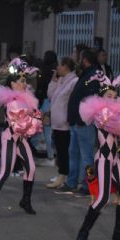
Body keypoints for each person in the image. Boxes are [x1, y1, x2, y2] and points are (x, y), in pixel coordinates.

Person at [75, 72, 120, 240]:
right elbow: (118, 126)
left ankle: (118, 233)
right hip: (104, 159)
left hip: (114, 159)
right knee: (103, 198)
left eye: (115, 97)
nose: (112, 99)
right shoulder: (101, 113)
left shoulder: (114, 114)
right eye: (108, 96)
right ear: (101, 97)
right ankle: (82, 233)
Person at [0, 58, 42, 217]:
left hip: (21, 139)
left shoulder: (24, 98)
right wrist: (34, 120)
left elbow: (31, 120)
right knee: (5, 172)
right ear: (13, 84)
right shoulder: (13, 101)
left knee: (31, 168)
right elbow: (21, 125)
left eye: (24, 81)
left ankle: (25, 201)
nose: (24, 84)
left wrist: (35, 119)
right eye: (21, 81)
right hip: (10, 139)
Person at [57, 49, 100, 196]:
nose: (77, 61)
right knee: (73, 152)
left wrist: (83, 116)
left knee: (87, 155)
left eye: (79, 58)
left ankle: (89, 185)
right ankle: (72, 182)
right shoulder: (86, 74)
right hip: (76, 121)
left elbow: (91, 98)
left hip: (84, 122)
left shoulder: (94, 74)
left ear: (85, 59)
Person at [46, 57, 78, 188]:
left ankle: (64, 175)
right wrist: (53, 81)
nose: (57, 68)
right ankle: (61, 175)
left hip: (65, 123)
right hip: (57, 122)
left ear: (66, 67)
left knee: (65, 151)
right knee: (59, 150)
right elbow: (50, 96)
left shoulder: (74, 81)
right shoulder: (60, 80)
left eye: (59, 65)